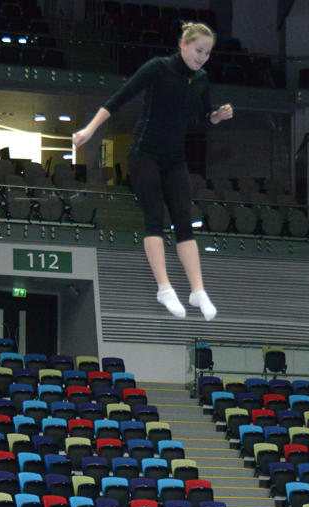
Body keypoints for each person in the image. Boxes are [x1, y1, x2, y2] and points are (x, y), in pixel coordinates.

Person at [72, 22, 233, 321]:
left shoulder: (201, 79)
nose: (202, 57)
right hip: (144, 155)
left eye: (207, 53)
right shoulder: (157, 68)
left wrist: (216, 117)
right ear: (183, 45)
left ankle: (197, 290)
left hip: (174, 159)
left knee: (185, 221)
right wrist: (89, 129)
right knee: (155, 218)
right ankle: (164, 287)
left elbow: (199, 121)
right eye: (198, 50)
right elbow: (118, 99)